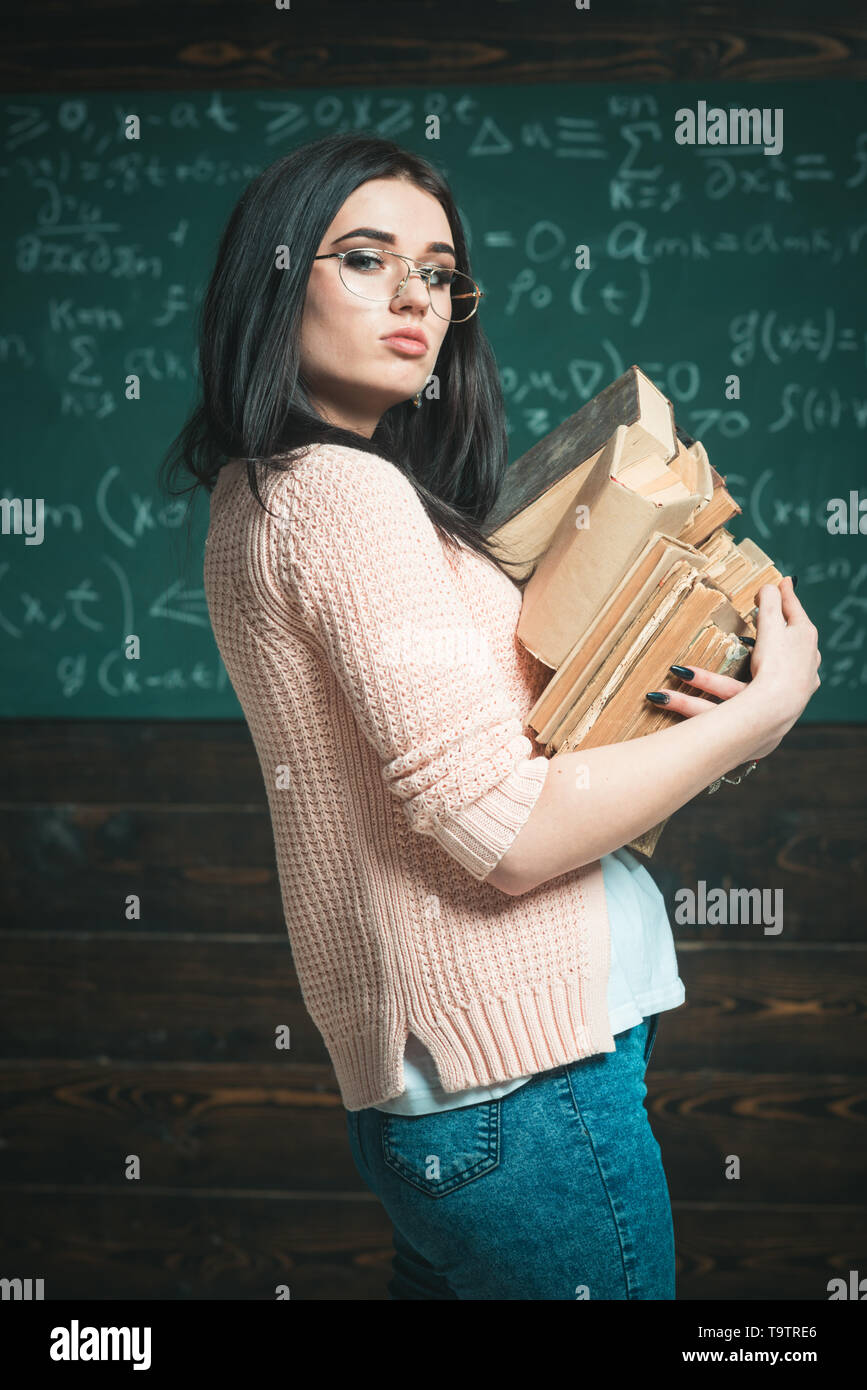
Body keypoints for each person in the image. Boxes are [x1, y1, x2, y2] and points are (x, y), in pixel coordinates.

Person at [162, 131, 821, 1301]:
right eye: (364, 258)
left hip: (484, 1095)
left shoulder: (272, 492)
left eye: (438, 271)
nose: (415, 294)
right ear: (272, 275)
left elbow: (483, 762)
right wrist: (756, 718)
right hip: (529, 1091)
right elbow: (499, 831)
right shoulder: (341, 495)